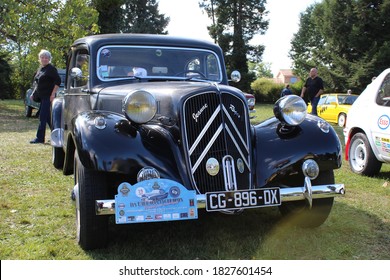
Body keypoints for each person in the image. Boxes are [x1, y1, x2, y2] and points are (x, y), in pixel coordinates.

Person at [29, 49, 61, 144]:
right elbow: (37, 82)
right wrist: (33, 93)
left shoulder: (51, 69)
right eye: (42, 57)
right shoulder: (40, 69)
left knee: (42, 117)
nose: (44, 59)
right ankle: (58, 135)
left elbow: (57, 81)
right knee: (47, 117)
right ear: (40, 58)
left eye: (46, 57)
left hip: (48, 96)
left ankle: (39, 138)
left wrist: (53, 94)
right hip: (41, 96)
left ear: (49, 59)